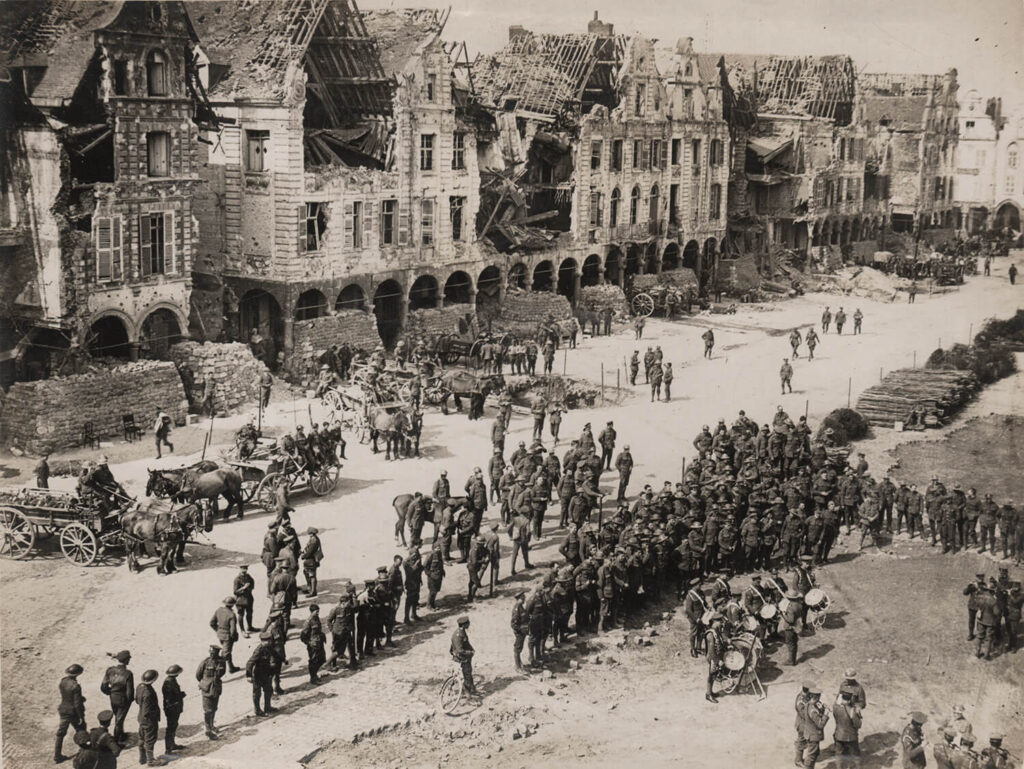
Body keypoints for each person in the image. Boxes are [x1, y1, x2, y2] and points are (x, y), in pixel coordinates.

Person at [55, 663, 87, 763]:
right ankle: (84, 751)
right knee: (81, 729)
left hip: (63, 709)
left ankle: (57, 756)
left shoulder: (63, 681)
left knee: (60, 734)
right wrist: (80, 716)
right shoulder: (76, 686)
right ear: (76, 674)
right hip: (73, 712)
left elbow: (66, 694)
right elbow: (77, 704)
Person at [100, 650, 134, 745]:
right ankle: (118, 741)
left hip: (113, 698)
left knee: (118, 717)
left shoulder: (110, 670)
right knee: (119, 720)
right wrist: (129, 701)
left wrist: (111, 693)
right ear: (126, 661)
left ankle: (121, 734)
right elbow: (130, 692)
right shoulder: (128, 674)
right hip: (123, 700)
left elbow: (103, 687)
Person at [246, 630, 280, 716]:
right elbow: (250, 662)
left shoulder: (268, 647)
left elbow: (275, 654)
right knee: (257, 693)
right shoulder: (259, 650)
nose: (268, 642)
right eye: (266, 641)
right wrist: (249, 675)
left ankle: (267, 707)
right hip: (258, 674)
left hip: (267, 673)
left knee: (268, 690)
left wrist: (283, 659)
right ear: (262, 641)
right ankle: (257, 710)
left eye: (269, 640)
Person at [195, 645, 226, 739]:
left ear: (217, 653)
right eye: (211, 653)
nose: (212, 654)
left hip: (216, 688)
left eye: (214, 653)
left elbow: (222, 672)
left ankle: (212, 725)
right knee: (208, 710)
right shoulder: (205, 662)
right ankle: (208, 730)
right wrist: (205, 683)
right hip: (206, 689)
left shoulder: (221, 662)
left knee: (214, 708)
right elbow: (198, 674)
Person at [134, 670, 162, 766]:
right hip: (149, 720)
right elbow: (147, 710)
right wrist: (154, 715)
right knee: (150, 739)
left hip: (141, 717)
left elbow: (136, 700)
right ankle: (151, 761)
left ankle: (142, 758)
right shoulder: (148, 693)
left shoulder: (139, 687)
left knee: (141, 737)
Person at [210, 597, 241, 673]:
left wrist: (218, 630)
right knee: (225, 654)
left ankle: (231, 667)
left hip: (220, 635)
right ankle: (216, 671)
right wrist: (234, 637)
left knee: (227, 652)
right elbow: (233, 630)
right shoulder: (231, 615)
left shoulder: (219, 610)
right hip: (228, 637)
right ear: (233, 605)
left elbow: (212, 623)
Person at [832, 689, 862, 767]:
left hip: (838, 735)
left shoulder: (835, 708)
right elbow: (858, 725)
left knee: (838, 754)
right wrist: (858, 714)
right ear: (850, 698)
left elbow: (836, 703)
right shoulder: (852, 711)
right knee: (855, 754)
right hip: (850, 737)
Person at [802, 687, 830, 769]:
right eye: (818, 698)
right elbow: (820, 724)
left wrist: (822, 708)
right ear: (816, 697)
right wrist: (826, 714)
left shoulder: (808, 704)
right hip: (813, 736)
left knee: (814, 753)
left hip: (809, 733)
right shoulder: (813, 711)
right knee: (811, 756)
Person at [300, 604, 327, 684]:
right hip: (313, 645)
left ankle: (314, 675)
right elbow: (303, 635)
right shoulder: (308, 622)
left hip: (319, 642)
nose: (318, 613)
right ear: (312, 611)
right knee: (313, 661)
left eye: (318, 611)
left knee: (322, 659)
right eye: (316, 611)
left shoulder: (316, 618)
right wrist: (309, 643)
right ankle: (313, 678)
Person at [161, 664, 185, 755]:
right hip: (172, 709)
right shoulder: (169, 682)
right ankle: (168, 749)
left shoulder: (171, 680)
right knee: (170, 728)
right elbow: (170, 698)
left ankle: (172, 744)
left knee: (173, 726)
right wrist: (181, 695)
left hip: (173, 708)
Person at [451, 616, 477, 695]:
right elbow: (460, 650)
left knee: (468, 673)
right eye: (467, 623)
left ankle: (471, 689)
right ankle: (468, 694)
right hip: (461, 658)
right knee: (467, 675)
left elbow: (466, 643)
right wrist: (469, 652)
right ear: (463, 625)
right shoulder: (458, 635)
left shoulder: (462, 631)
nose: (469, 624)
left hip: (464, 657)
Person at [704, 613, 725, 703]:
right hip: (713, 658)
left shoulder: (716, 631)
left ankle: (711, 692)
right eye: (720, 622)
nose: (721, 623)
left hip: (716, 657)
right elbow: (711, 651)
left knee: (714, 674)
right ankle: (708, 694)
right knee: (711, 675)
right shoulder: (710, 634)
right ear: (715, 622)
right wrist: (718, 660)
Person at [301, 527, 323, 597]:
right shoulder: (314, 538)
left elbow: (310, 552)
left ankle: (313, 591)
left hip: (311, 560)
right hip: (311, 559)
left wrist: (303, 556)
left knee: (312, 575)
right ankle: (310, 588)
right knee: (306, 573)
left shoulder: (314, 541)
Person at [511, 592, 529, 670]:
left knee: (520, 648)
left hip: (523, 631)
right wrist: (520, 629)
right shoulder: (517, 608)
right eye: (523, 597)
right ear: (520, 598)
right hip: (520, 632)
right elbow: (513, 624)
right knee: (517, 649)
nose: (525, 598)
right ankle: (517, 667)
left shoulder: (520, 607)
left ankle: (519, 664)